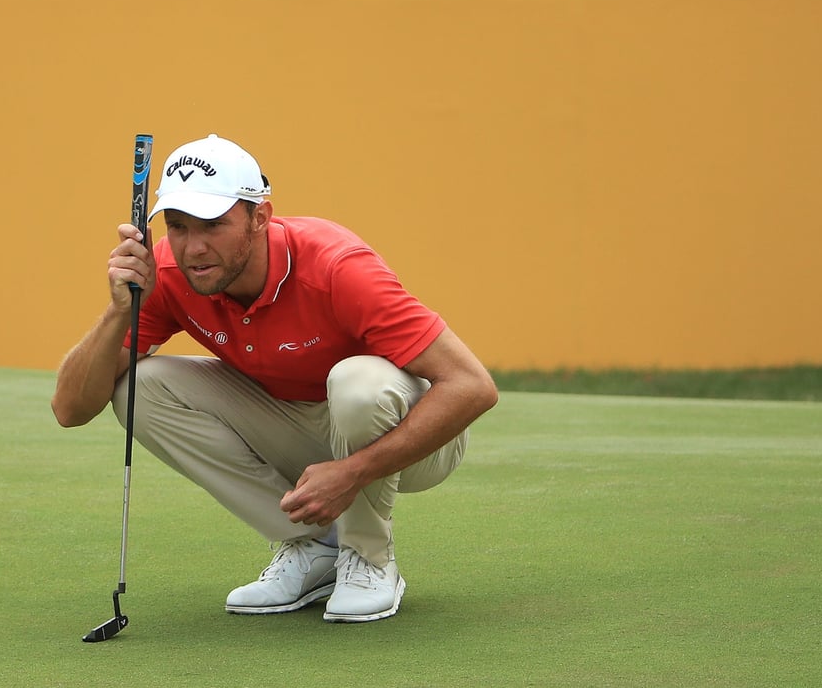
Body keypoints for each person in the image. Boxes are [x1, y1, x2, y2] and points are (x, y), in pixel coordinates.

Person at [51, 133, 497, 623]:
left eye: (213, 225)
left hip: (411, 438)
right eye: (177, 226)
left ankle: (368, 557)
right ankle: (313, 546)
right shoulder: (169, 272)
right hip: (301, 429)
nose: (193, 247)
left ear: (260, 217)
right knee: (141, 387)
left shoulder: (337, 267)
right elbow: (71, 410)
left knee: (357, 382)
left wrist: (353, 471)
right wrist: (118, 311)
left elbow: (472, 386)